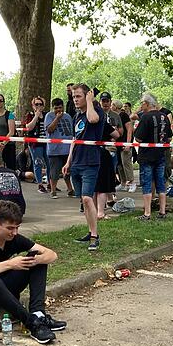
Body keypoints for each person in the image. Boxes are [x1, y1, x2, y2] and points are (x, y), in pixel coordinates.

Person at [0, 200, 66, 345]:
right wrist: (10, 264)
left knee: (36, 259)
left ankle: (38, 314)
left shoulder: (13, 238)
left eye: (17, 228)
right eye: (10, 228)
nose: (14, 232)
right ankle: (31, 323)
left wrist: (35, 260)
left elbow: (52, 255)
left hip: (0, 290)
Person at [63, 84, 104, 252]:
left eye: (78, 96)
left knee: (88, 198)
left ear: (87, 96)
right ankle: (90, 231)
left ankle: (95, 236)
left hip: (90, 162)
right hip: (77, 162)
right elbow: (75, 139)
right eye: (74, 96)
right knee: (83, 200)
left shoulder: (96, 112)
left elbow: (93, 120)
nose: (75, 99)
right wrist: (68, 161)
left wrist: (90, 101)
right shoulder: (76, 117)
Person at [134, 93, 171, 220]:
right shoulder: (164, 117)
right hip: (160, 154)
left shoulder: (145, 117)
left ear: (147, 103)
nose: (140, 106)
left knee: (147, 183)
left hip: (146, 155)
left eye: (141, 103)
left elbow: (138, 138)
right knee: (161, 183)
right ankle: (162, 211)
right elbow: (170, 137)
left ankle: (147, 213)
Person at [44, 98, 74, 199]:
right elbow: (49, 130)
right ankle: (53, 190)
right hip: (54, 149)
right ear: (53, 108)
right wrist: (57, 118)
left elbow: (71, 131)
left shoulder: (68, 116)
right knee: (54, 171)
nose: (58, 110)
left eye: (60, 108)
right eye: (56, 108)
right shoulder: (49, 116)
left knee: (68, 171)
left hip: (67, 148)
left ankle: (70, 189)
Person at [25, 96, 50, 193]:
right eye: (36, 104)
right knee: (38, 162)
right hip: (35, 143)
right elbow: (29, 127)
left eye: (41, 104)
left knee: (49, 163)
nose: (39, 106)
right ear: (33, 105)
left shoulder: (47, 115)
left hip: (47, 142)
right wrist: (36, 116)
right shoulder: (30, 115)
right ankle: (40, 184)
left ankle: (50, 183)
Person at [113, 100, 135, 192]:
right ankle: (123, 182)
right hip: (117, 143)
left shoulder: (123, 115)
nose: (111, 106)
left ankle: (131, 182)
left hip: (125, 142)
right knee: (119, 164)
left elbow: (130, 129)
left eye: (113, 104)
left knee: (126, 162)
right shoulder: (113, 116)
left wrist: (128, 143)